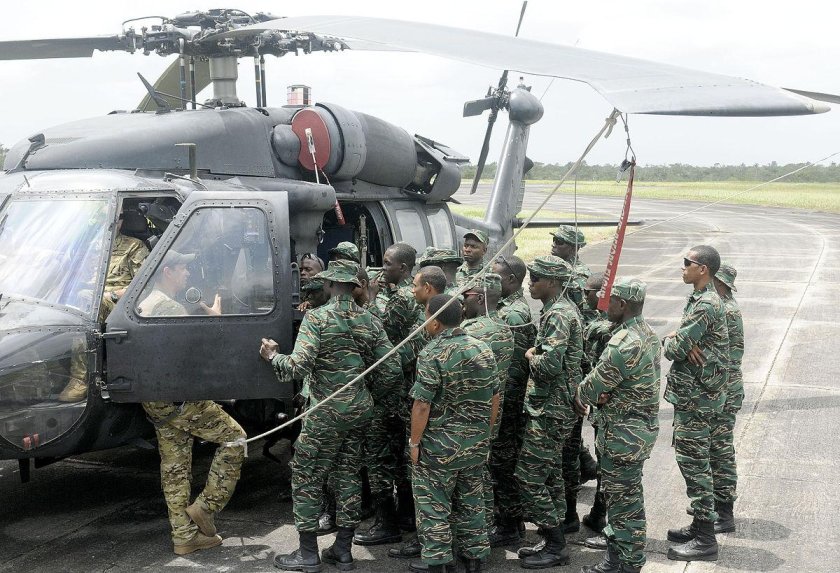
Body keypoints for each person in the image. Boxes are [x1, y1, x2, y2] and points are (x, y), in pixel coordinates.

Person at [261, 260, 389, 571]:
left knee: (306, 476)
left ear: (330, 285)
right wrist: (369, 395)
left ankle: (307, 554)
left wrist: (273, 355)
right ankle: (342, 550)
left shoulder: (317, 318)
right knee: (348, 475)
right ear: (353, 286)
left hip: (326, 413)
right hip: (359, 411)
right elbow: (391, 367)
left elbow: (298, 367)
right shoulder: (370, 321)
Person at [139, 251, 243, 556]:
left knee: (175, 469)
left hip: (158, 402)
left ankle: (184, 537)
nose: (187, 274)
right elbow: (196, 353)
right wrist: (215, 319)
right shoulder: (168, 306)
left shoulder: (146, 304)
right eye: (183, 268)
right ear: (168, 271)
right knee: (235, 439)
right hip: (182, 399)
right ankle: (207, 507)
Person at [575, 277, 661, 573]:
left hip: (622, 435)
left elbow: (591, 387)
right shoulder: (646, 333)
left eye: (609, 300)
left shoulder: (624, 343)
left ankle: (625, 563)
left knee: (623, 503)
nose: (604, 305)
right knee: (627, 498)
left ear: (622, 304)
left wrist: (586, 391)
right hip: (636, 432)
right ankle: (622, 558)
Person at [409, 294, 500, 573]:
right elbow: (495, 396)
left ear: (436, 323)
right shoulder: (483, 348)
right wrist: (485, 431)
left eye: (427, 316)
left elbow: (422, 404)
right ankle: (474, 561)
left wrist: (414, 443)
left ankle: (439, 563)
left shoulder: (431, 353)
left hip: (439, 448)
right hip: (474, 443)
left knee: (434, 506)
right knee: (472, 502)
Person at [516, 255, 584, 569]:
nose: (531, 283)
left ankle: (556, 544)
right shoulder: (558, 310)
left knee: (528, 477)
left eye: (537, 278)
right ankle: (551, 534)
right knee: (551, 475)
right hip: (554, 406)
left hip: (551, 408)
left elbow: (548, 366)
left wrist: (531, 354)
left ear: (553, 283)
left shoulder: (558, 315)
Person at [663, 245, 729, 562]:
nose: (683, 268)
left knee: (695, 465)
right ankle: (699, 526)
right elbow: (684, 343)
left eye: (687, 263)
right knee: (694, 462)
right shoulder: (699, 299)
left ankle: (705, 540)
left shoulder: (705, 305)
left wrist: (673, 339)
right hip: (695, 395)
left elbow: (674, 349)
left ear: (702, 268)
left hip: (697, 399)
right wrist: (681, 339)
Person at [356, 242, 422, 547]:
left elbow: (377, 332)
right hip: (405, 391)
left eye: (387, 264)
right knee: (401, 455)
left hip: (388, 389)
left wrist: (370, 298)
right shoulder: (413, 296)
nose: (383, 269)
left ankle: (387, 523)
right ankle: (407, 514)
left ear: (403, 268)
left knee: (380, 456)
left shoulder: (398, 300)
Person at [60, 208, 152, 402]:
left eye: (116, 219)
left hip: (120, 302)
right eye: (106, 219)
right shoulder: (87, 247)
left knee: (87, 303)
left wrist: (111, 294)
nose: (112, 223)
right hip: (84, 298)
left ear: (121, 222)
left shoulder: (134, 246)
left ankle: (80, 379)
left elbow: (143, 285)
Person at [488, 255, 536, 547]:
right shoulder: (506, 309)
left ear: (511, 280)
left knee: (503, 464)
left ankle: (509, 524)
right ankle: (509, 520)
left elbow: (511, 367)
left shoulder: (513, 314)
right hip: (505, 400)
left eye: (495, 278)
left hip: (507, 401)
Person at [461, 273, 514, 534]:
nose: (462, 302)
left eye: (466, 296)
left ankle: (479, 530)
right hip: (493, 411)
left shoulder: (472, 331)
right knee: (483, 470)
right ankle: (487, 528)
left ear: (480, 298)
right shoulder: (504, 327)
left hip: (469, 416)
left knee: (473, 476)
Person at [707, 262, 744, 534]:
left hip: (724, 390)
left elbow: (723, 355)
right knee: (715, 449)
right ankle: (716, 504)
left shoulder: (725, 311)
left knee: (720, 450)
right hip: (721, 387)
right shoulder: (721, 306)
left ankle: (724, 512)